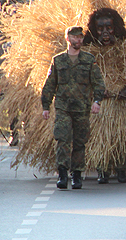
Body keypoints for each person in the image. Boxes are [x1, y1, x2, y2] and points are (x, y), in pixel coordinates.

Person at [41, 26, 105, 190]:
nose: (79, 40)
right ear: (68, 39)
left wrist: (97, 101)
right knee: (62, 139)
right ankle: (62, 174)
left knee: (79, 142)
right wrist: (46, 106)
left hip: (82, 108)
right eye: (75, 37)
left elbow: (98, 83)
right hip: (63, 107)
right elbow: (50, 84)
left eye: (80, 37)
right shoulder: (58, 60)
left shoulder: (89, 60)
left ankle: (76, 175)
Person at [82, 7, 126, 184]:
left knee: (120, 135)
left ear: (116, 28)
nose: (105, 33)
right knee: (99, 136)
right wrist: (96, 90)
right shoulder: (89, 52)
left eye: (109, 28)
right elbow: (82, 76)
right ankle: (102, 168)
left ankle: (121, 168)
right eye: (100, 29)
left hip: (120, 102)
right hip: (99, 103)